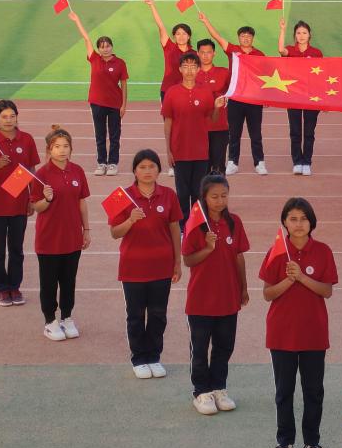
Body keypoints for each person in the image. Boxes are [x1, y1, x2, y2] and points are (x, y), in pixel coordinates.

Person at [260, 198, 338, 448]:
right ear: (284, 222)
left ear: (311, 222)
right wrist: (289, 279)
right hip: (281, 334)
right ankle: (284, 441)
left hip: (314, 334)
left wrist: (302, 276)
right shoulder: (276, 252)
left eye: (304, 218)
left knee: (313, 391)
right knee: (284, 391)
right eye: (293, 219)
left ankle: (312, 442)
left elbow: (326, 290)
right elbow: (268, 294)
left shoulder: (323, 251)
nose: (298, 224)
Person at [109, 149, 182, 379]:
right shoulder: (121, 196)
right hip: (132, 268)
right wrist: (130, 220)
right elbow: (114, 233)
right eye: (142, 167)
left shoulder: (169, 195)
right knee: (136, 315)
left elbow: (174, 229)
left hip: (162, 266)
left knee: (158, 314)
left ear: (159, 170)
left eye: (152, 166)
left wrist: (177, 262)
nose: (147, 171)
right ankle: (139, 358)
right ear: (134, 171)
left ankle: (154, 356)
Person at [182, 174, 250, 415]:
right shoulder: (196, 224)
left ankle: (219, 387)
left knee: (224, 346)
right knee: (200, 349)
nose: (220, 201)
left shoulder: (234, 222)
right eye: (214, 197)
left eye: (224, 195)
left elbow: (239, 256)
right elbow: (188, 260)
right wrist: (208, 248)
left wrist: (243, 287)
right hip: (200, 300)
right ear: (204, 197)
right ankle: (201, 391)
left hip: (228, 297)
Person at [29, 126, 91, 341]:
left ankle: (66, 317)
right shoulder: (41, 175)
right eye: (57, 147)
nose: (62, 150)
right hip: (49, 239)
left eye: (66, 146)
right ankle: (50, 321)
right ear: (49, 149)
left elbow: (81, 202)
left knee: (68, 281)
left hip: (72, 237)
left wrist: (86, 229)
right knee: (49, 282)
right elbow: (36, 207)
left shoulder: (77, 171)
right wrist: (47, 199)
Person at [0, 100, 40, 306]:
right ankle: (2, 289)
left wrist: (32, 198)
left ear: (17, 118)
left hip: (18, 203)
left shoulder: (27, 139)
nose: (8, 120)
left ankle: (15, 287)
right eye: (4, 117)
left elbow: (32, 170)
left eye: (12, 116)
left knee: (16, 249)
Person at [199, 12, 268, 175]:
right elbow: (217, 37)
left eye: (248, 36)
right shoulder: (233, 51)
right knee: (234, 132)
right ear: (239, 38)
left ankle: (259, 162)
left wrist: (264, 96)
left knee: (255, 133)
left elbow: (265, 77)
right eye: (243, 36)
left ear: (252, 39)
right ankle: (232, 162)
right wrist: (206, 21)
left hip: (253, 99)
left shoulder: (259, 55)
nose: (245, 38)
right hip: (236, 98)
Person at [161, 52, 226, 221]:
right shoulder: (172, 92)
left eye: (193, 67)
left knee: (198, 193)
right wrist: (168, 150)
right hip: (180, 151)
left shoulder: (205, 91)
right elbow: (168, 122)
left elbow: (212, 119)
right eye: (186, 67)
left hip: (200, 152)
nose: (189, 70)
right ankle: (183, 227)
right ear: (180, 69)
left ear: (198, 69)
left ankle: (197, 225)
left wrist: (217, 107)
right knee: (182, 193)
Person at [68, 9, 129, 176]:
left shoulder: (120, 63)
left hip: (115, 104)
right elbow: (86, 38)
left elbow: (124, 85)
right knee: (100, 135)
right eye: (102, 47)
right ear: (98, 49)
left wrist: (124, 105)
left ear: (112, 46)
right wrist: (77, 20)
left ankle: (113, 163)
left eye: (107, 46)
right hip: (97, 103)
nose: (105, 49)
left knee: (114, 135)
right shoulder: (94, 59)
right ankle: (101, 163)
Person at [278, 19, 324, 176]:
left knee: (309, 132)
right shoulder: (291, 50)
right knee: (295, 131)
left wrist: (324, 99)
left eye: (304, 33)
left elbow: (322, 75)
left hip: (312, 97)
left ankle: (307, 162)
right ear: (295, 35)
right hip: (294, 96)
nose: (302, 36)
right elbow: (281, 50)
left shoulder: (316, 53)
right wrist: (282, 29)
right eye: (298, 33)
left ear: (309, 35)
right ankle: (297, 162)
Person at [143, 0, 192, 102]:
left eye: (184, 34)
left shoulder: (194, 53)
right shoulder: (169, 47)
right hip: (168, 90)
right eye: (178, 34)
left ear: (189, 36)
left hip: (188, 91)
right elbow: (161, 27)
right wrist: (152, 6)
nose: (181, 37)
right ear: (174, 36)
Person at [196, 39, 231, 174]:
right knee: (202, 167)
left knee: (219, 167)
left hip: (219, 127)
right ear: (198, 53)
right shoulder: (191, 75)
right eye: (202, 52)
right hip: (198, 128)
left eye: (209, 52)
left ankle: (220, 188)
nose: (205, 56)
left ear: (214, 53)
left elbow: (238, 88)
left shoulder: (224, 73)